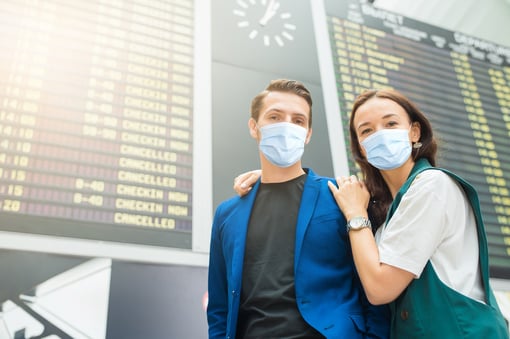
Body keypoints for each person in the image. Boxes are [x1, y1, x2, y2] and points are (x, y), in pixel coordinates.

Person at [234, 88, 509, 338]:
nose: (379, 135)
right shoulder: (388, 208)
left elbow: (379, 289)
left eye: (390, 124)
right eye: (366, 131)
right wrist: (271, 180)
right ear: (361, 148)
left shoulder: (431, 186)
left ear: (414, 132)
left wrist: (355, 214)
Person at [207, 79, 390, 339]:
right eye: (274, 117)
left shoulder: (342, 195)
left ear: (308, 133)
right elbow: (219, 308)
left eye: (298, 120)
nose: (286, 126)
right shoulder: (227, 214)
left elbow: (371, 291)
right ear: (253, 127)